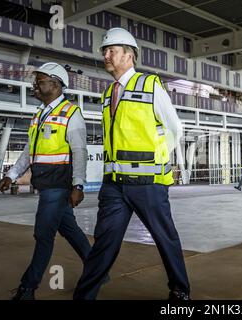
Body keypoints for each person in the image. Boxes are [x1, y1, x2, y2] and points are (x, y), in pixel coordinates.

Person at [73, 28, 190, 300]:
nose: (106, 55)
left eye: (111, 50)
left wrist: (157, 157)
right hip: (114, 184)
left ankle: (180, 291)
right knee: (104, 242)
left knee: (165, 238)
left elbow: (175, 129)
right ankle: (84, 296)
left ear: (129, 55)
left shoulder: (150, 85)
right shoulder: (107, 94)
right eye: (105, 51)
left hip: (148, 183)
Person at [0, 62, 91, 300]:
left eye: (39, 81)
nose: (35, 86)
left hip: (58, 185)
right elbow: (31, 150)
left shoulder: (71, 113)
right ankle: (97, 270)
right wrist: (11, 174)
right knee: (70, 231)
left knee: (43, 235)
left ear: (56, 84)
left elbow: (80, 151)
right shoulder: (39, 114)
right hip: (45, 184)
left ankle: (28, 289)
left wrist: (78, 185)